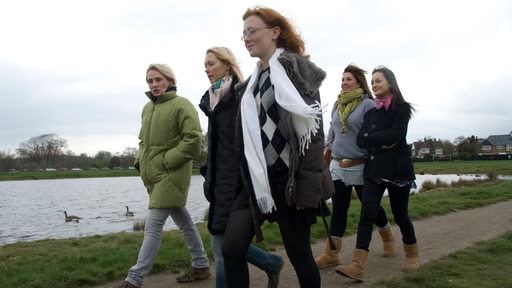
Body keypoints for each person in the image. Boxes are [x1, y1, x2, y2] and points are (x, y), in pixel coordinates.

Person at [222, 6, 333, 288]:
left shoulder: (297, 70)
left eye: (252, 31)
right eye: (243, 34)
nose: (246, 38)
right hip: (256, 183)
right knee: (231, 248)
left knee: (300, 256)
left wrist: (307, 188)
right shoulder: (248, 87)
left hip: (290, 181)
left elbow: (313, 134)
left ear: (274, 32)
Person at [198, 47, 284, 288]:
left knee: (222, 247)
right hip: (218, 183)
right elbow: (218, 147)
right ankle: (270, 262)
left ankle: (270, 263)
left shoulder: (240, 97)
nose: (206, 69)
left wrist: (236, 181)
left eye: (211, 63)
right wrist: (209, 178)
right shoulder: (213, 100)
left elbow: (245, 144)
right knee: (226, 245)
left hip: (236, 183)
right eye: (205, 65)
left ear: (227, 65)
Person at [120, 64, 211, 288]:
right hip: (154, 176)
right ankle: (200, 265)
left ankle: (134, 278)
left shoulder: (182, 105)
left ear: (169, 80)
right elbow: (143, 141)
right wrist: (139, 161)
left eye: (158, 80)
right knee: (185, 221)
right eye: (150, 81)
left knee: (152, 227)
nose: (154, 85)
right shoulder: (146, 109)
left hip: (172, 175)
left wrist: (165, 162)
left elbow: (193, 140)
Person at [336, 65, 420, 281]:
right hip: (375, 168)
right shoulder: (373, 110)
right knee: (367, 213)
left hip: (398, 169)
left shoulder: (402, 108)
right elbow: (361, 139)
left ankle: (412, 253)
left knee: (400, 214)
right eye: (372, 82)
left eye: (378, 81)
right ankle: (357, 265)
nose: (374, 85)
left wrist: (379, 139)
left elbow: (396, 134)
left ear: (390, 83)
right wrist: (382, 141)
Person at [314, 64, 395, 268]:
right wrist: (326, 149)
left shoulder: (368, 104)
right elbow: (332, 131)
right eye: (342, 79)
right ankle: (332, 253)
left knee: (371, 207)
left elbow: (374, 133)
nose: (344, 83)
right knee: (339, 207)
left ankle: (388, 237)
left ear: (359, 81)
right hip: (337, 164)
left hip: (360, 164)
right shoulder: (337, 104)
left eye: (348, 79)